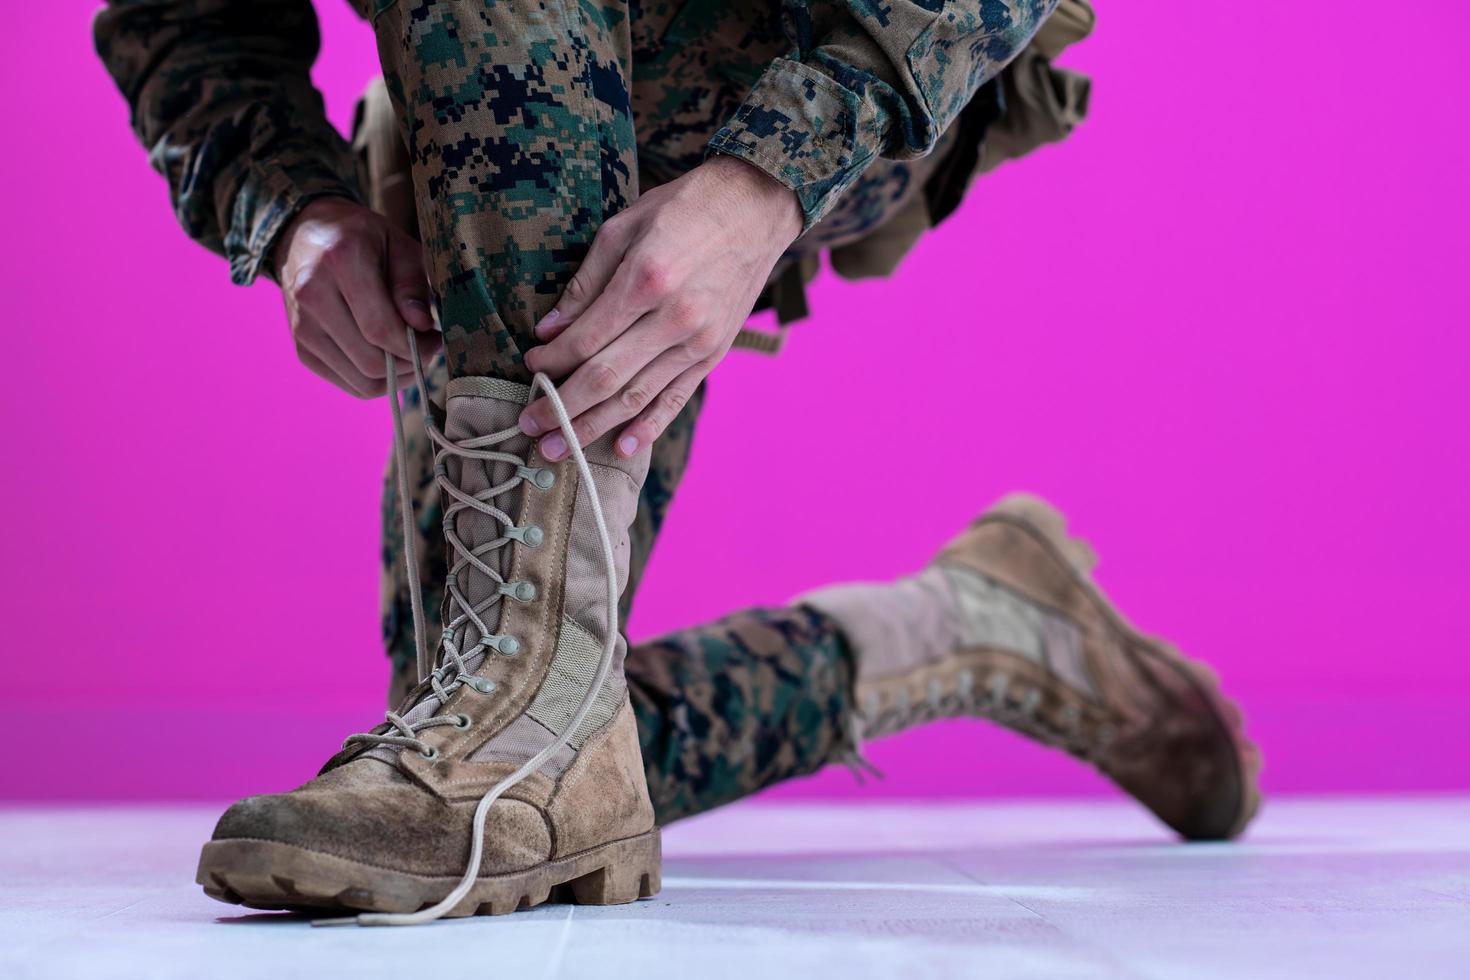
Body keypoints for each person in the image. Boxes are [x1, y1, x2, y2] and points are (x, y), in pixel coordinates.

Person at [95, 0, 1259, 926]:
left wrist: (767, 180)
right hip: (483, 68)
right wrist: (294, 208)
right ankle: (964, 625)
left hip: (833, 46)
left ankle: (536, 713)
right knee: (487, 723)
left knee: (512, 738)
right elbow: (183, 12)